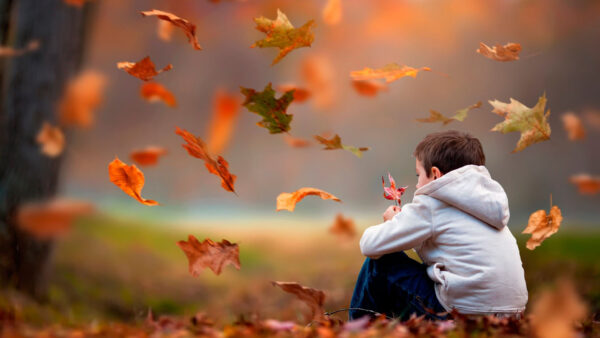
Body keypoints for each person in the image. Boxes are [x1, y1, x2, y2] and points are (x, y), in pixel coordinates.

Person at [349, 130, 528, 321]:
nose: (418, 186)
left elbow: (369, 245)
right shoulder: (488, 206)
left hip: (460, 314)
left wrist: (391, 224)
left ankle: (357, 330)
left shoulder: (432, 204)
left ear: (435, 174)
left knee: (380, 263)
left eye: (418, 176)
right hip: (511, 315)